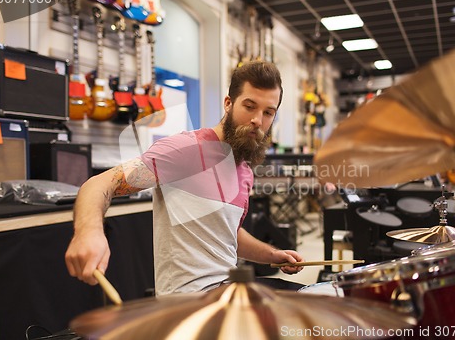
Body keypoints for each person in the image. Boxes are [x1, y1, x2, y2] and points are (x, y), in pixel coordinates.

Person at [65, 61, 305, 295]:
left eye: (268, 112)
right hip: (186, 302)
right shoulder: (187, 149)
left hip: (224, 291)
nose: (257, 120)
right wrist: (88, 232)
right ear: (229, 104)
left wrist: (272, 254)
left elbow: (226, 234)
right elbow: (99, 184)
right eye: (249, 106)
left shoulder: (243, 170)